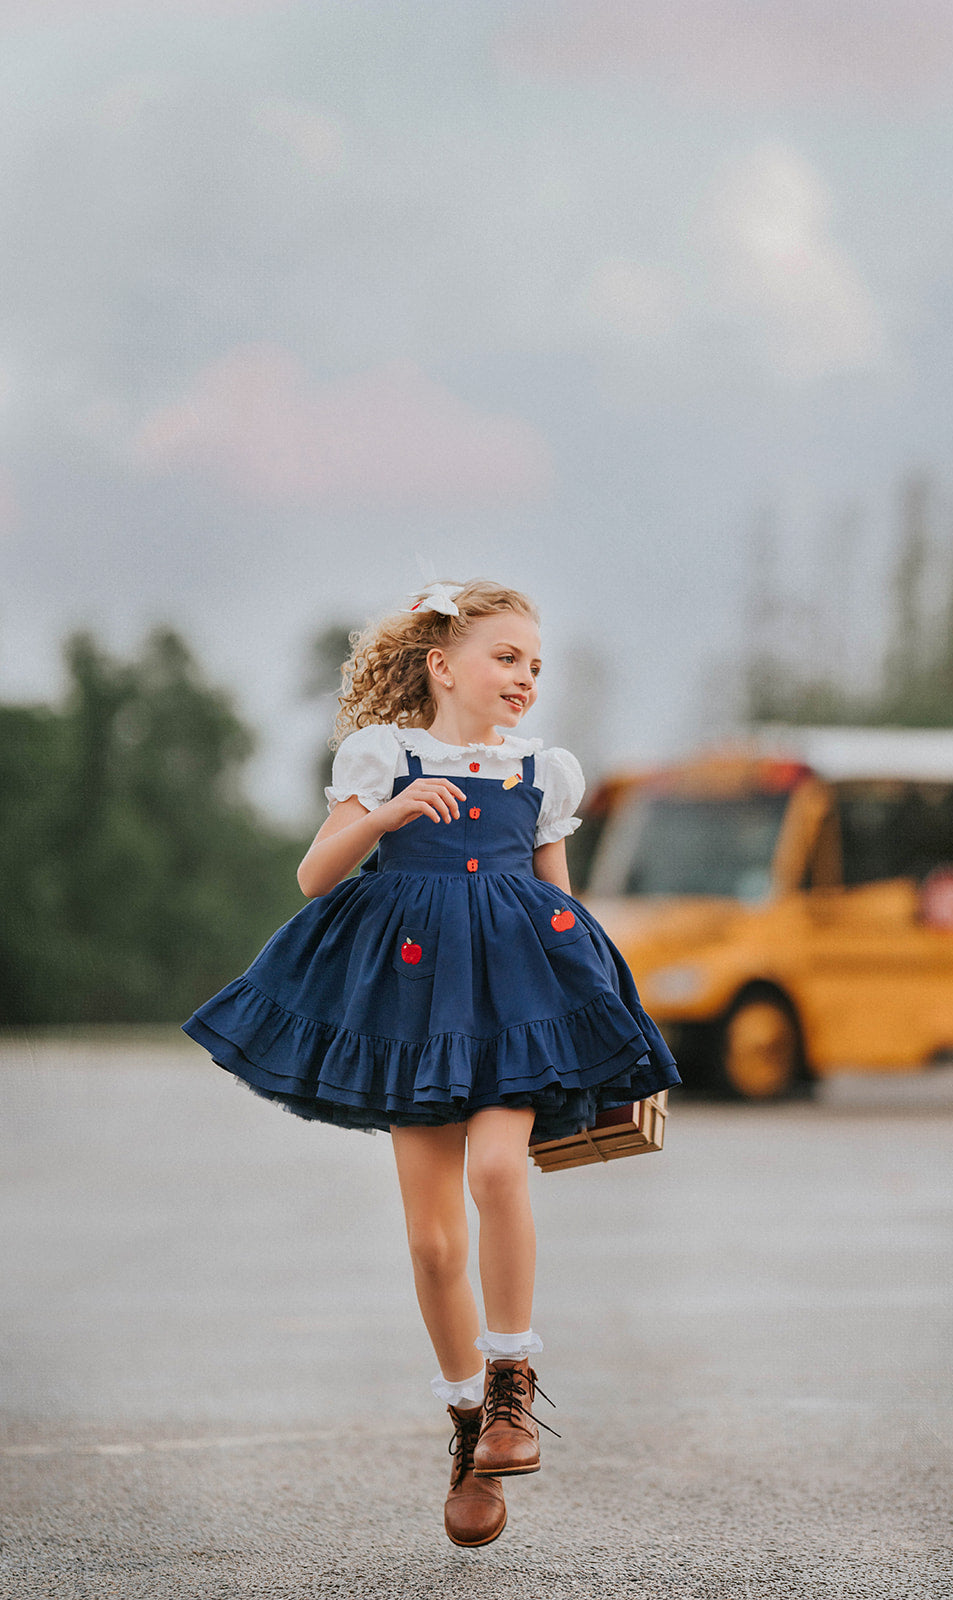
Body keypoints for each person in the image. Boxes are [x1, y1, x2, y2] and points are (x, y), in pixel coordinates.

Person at [182, 577, 680, 1547]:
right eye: (506, 657)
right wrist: (389, 814)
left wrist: (604, 1024)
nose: (525, 677)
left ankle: (509, 1390)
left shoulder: (546, 771)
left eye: (536, 663)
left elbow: (560, 907)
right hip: (414, 1008)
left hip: (515, 1009)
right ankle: (464, 1427)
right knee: (430, 1243)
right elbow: (316, 875)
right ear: (442, 666)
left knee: (498, 1168)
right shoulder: (383, 756)